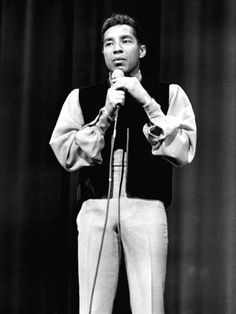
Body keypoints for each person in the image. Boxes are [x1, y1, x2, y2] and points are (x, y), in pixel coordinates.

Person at [49, 13, 196, 314]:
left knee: (149, 305)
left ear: (141, 50)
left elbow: (184, 150)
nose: (116, 49)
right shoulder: (81, 98)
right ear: (102, 52)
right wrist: (104, 115)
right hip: (95, 208)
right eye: (109, 44)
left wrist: (147, 102)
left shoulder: (169, 94)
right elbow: (65, 152)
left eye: (125, 41)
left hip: (145, 207)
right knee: (91, 307)